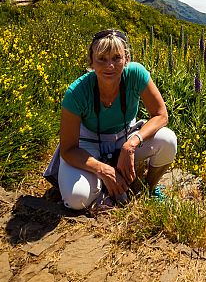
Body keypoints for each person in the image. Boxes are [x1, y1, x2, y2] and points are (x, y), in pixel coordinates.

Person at [46, 28, 178, 210]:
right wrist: (103, 170)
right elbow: (68, 150)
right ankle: (105, 187)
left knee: (168, 140)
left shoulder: (136, 74)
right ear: (91, 61)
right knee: (76, 199)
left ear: (126, 59)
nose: (110, 66)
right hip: (87, 145)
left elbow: (161, 115)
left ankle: (149, 189)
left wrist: (132, 143)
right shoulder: (76, 93)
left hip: (124, 137)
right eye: (102, 59)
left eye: (116, 58)